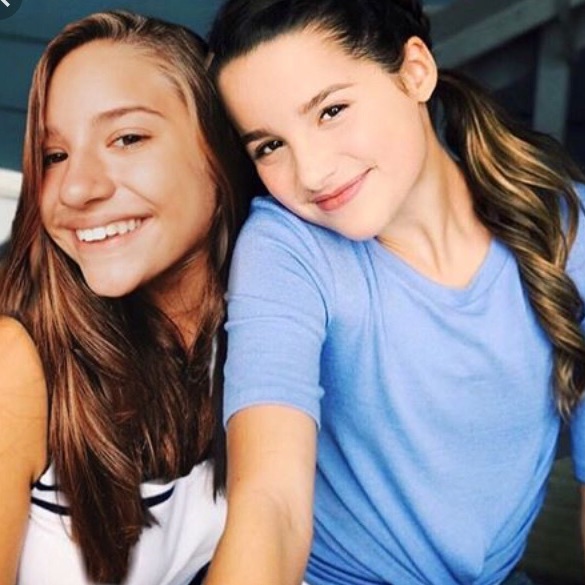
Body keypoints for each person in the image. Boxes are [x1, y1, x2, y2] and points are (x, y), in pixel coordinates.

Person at [204, 1, 585, 584]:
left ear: (415, 72)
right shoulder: (286, 248)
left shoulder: (565, 228)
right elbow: (271, 504)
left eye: (331, 111)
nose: (311, 172)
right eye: (270, 146)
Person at [0, 9, 253, 585]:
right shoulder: (15, 360)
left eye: (128, 138)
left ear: (220, 150)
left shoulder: (260, 333)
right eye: (54, 155)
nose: (76, 187)